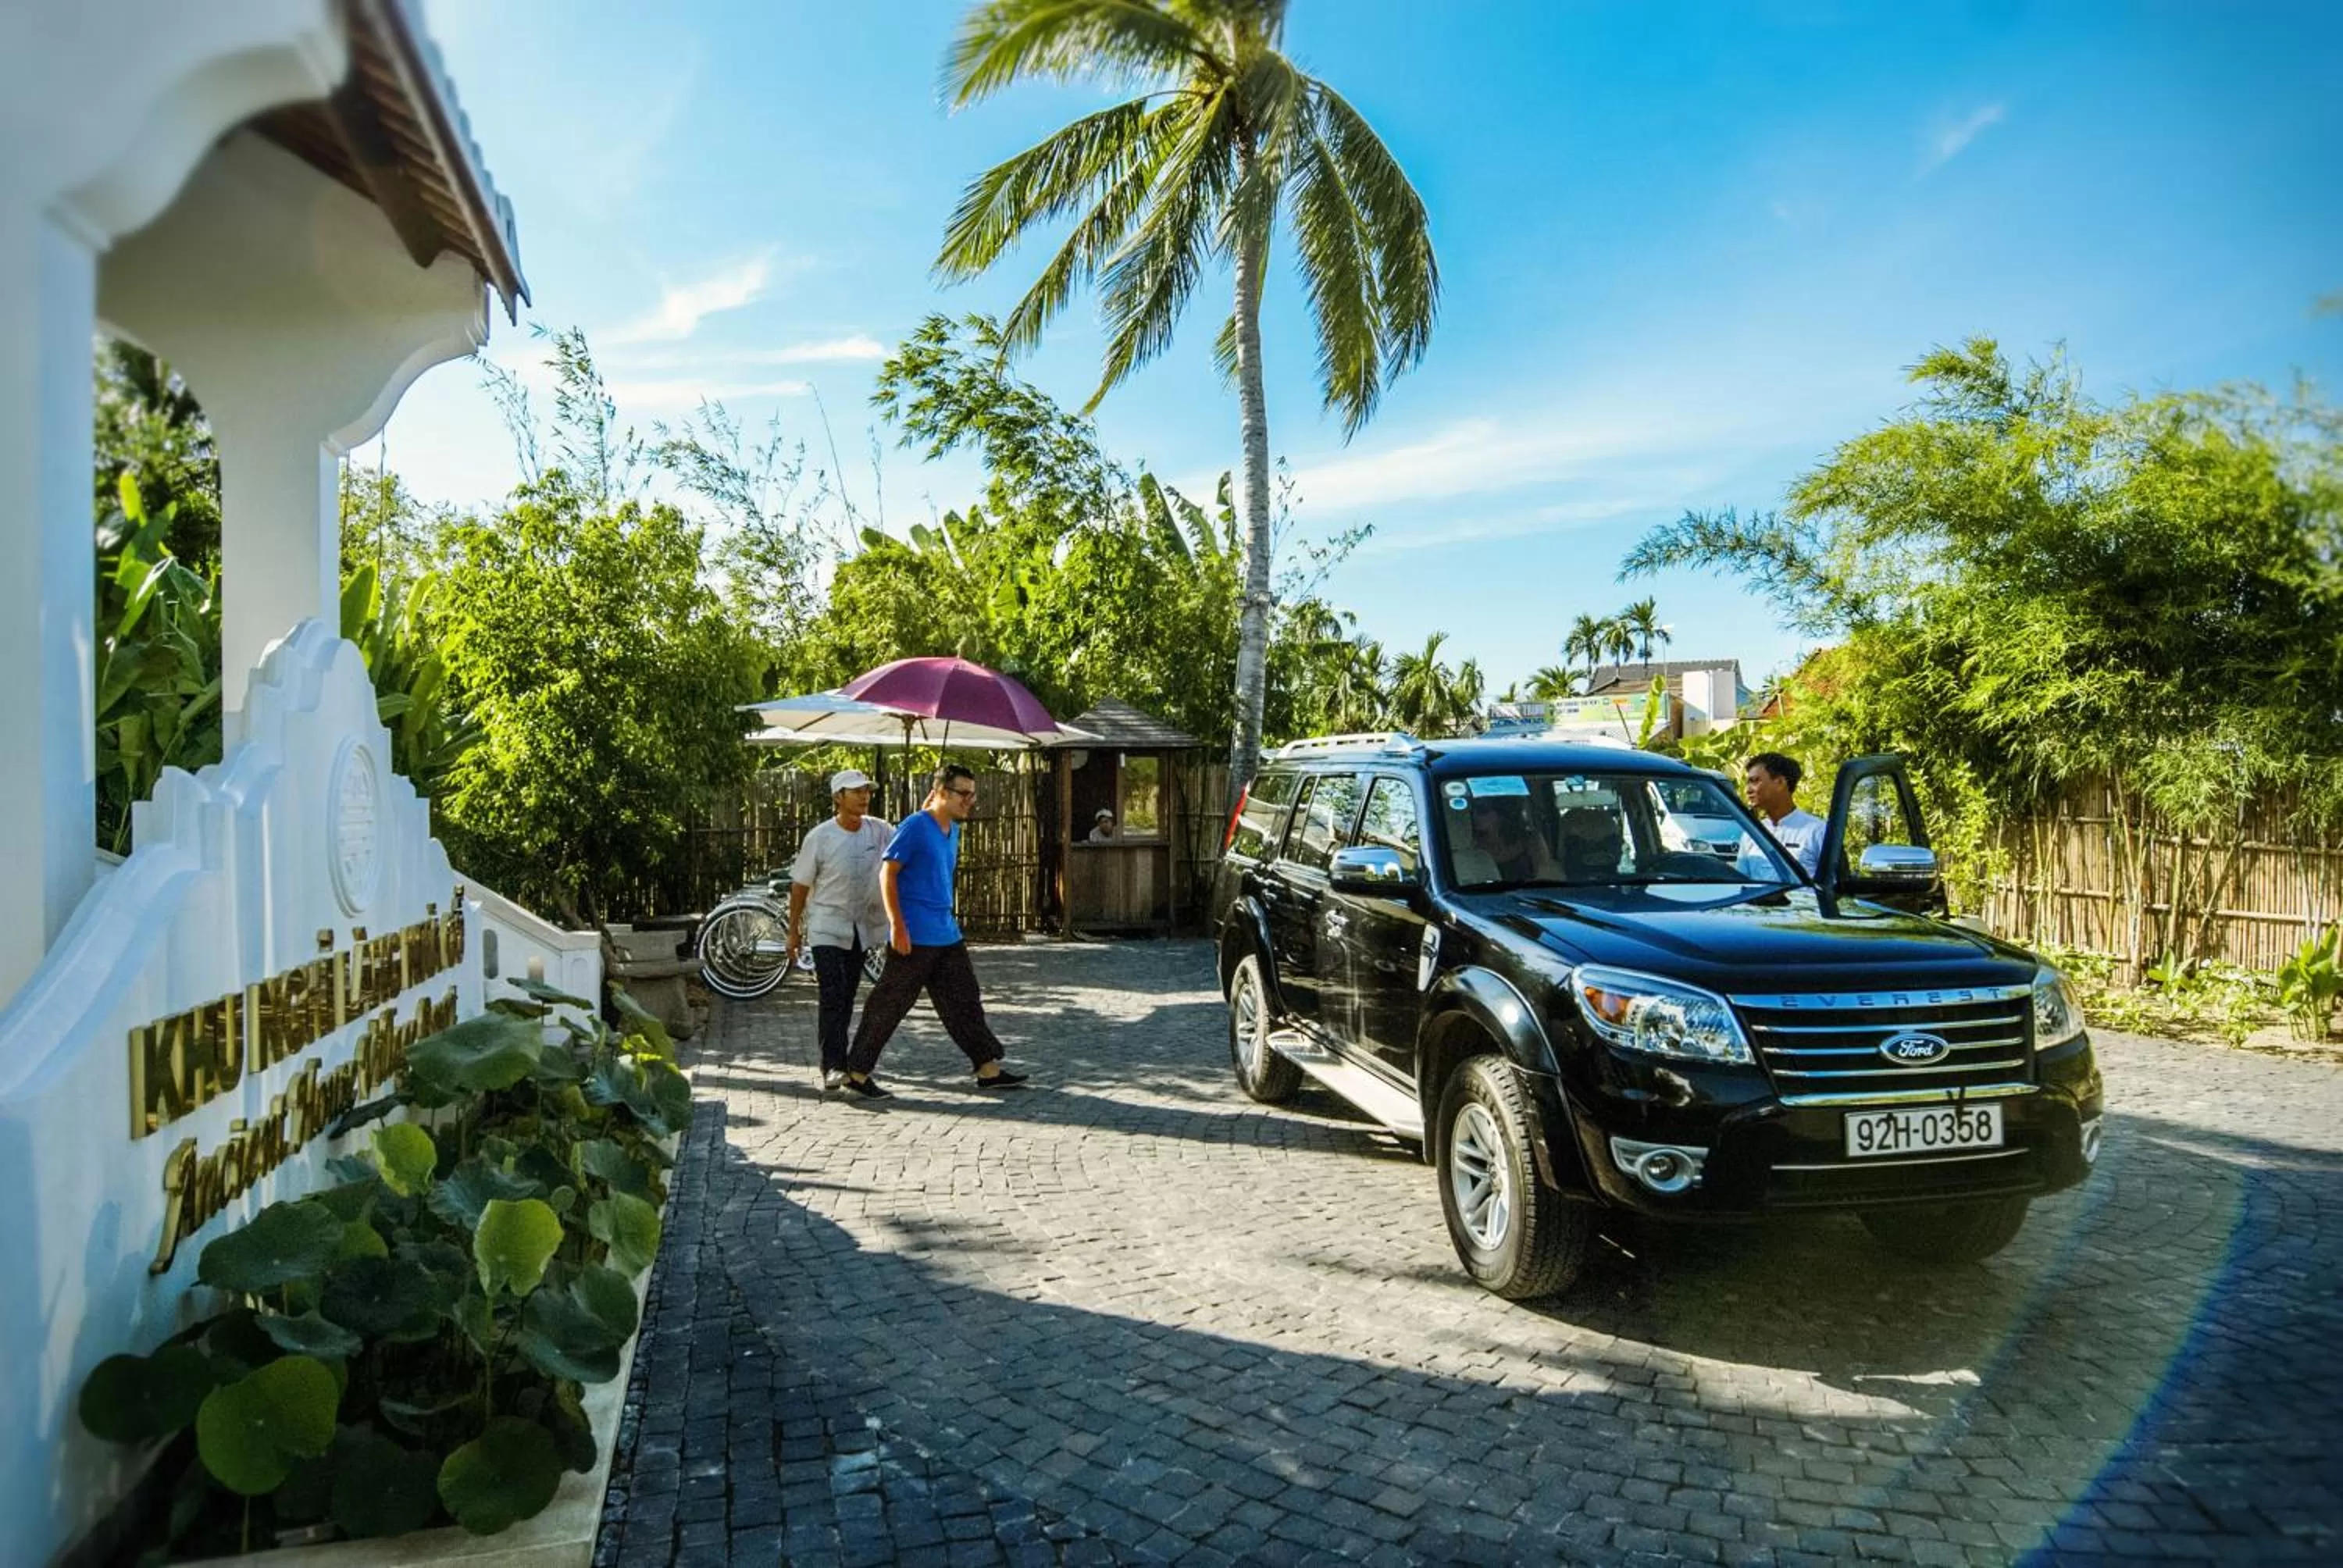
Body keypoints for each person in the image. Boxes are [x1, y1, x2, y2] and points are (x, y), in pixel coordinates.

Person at [839, 764, 1029, 1099]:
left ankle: (988, 1069)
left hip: (946, 933)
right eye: (963, 793)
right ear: (942, 792)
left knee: (964, 1001)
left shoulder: (952, 828)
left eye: (973, 793)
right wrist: (897, 925)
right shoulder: (915, 826)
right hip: (914, 937)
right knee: (890, 1004)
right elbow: (888, 874)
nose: (970, 800)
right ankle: (856, 1073)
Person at [785, 769, 892, 1091]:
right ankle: (832, 1064)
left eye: (866, 791)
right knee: (832, 992)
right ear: (838, 798)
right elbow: (801, 885)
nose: (863, 797)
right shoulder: (820, 837)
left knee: (847, 995)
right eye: (855, 791)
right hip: (827, 926)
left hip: (860, 926)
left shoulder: (879, 831)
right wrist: (794, 931)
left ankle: (844, 1061)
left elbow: (905, 845)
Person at [1744, 751, 1827, 876]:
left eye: (1755, 781)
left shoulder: (1817, 831)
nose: (1748, 790)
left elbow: (1836, 886)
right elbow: (1742, 884)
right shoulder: (1751, 834)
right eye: (1748, 783)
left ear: (1780, 783)